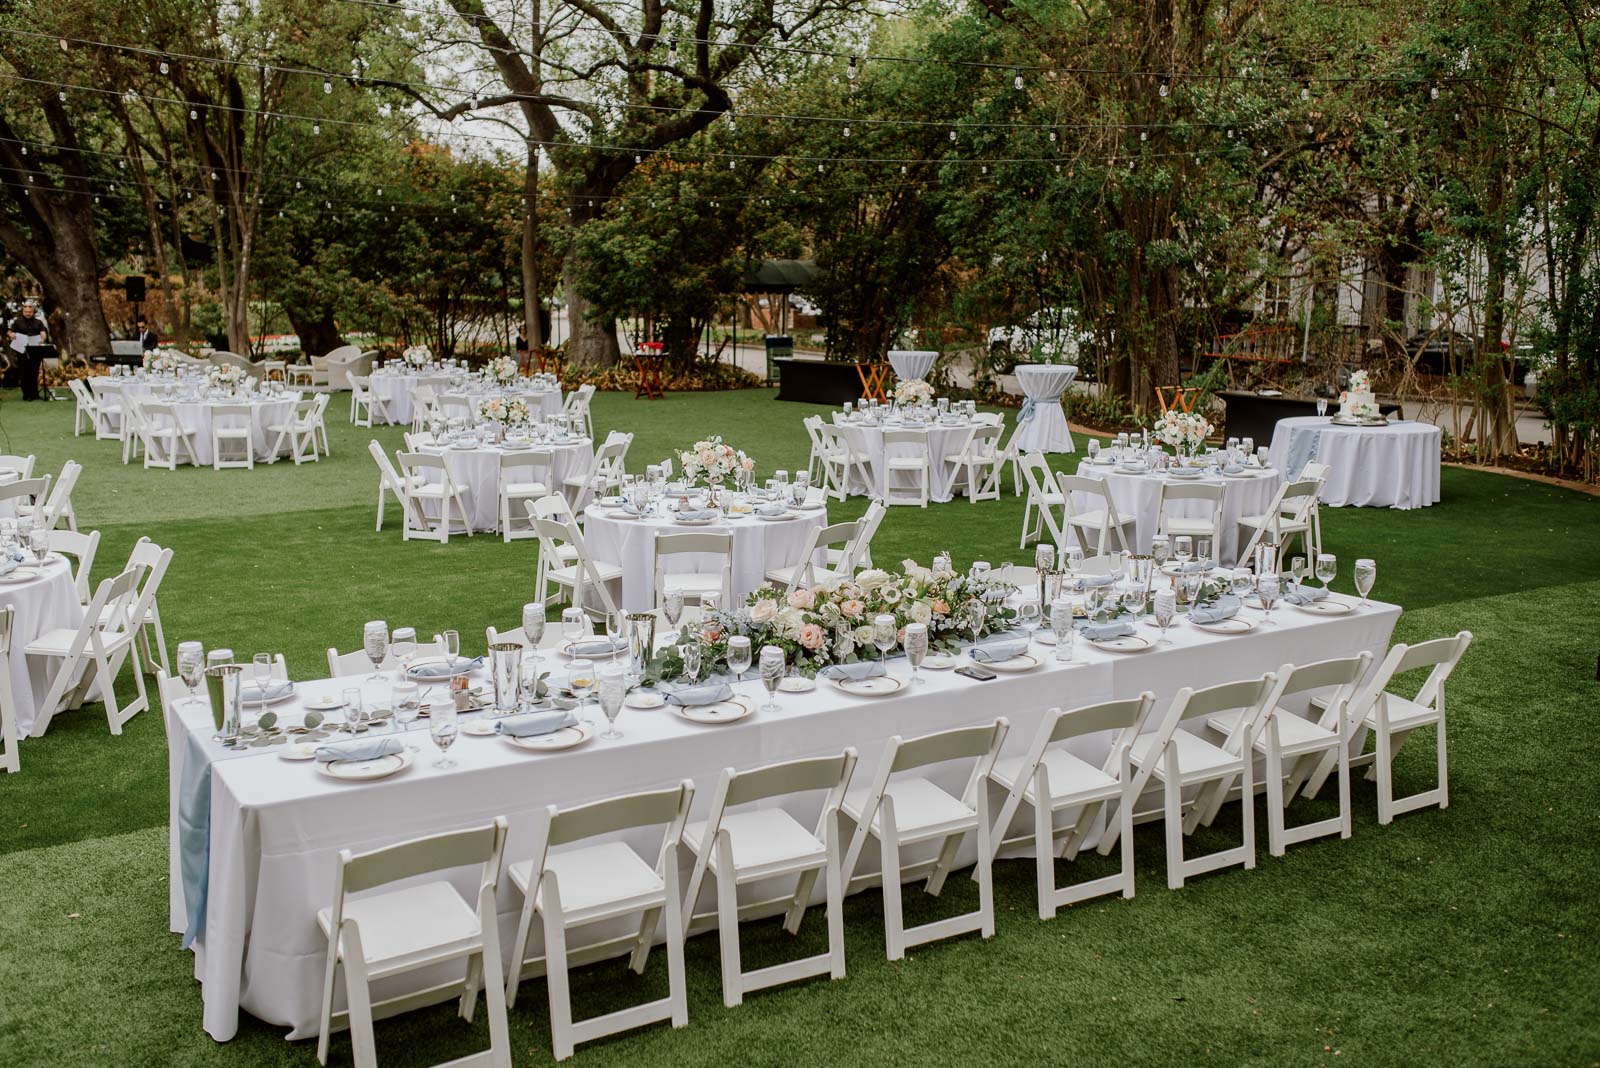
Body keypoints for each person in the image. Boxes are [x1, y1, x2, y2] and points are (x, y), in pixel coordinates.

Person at [7, 300, 47, 401]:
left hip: (35, 350)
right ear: (23, 312)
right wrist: (11, 335)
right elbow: (10, 332)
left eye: (30, 312)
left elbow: (43, 333)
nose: (28, 314)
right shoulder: (17, 321)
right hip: (22, 350)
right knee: (24, 372)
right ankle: (26, 395)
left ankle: (35, 394)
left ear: (33, 312)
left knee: (34, 372)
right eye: (26, 312)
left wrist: (43, 338)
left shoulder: (39, 322)